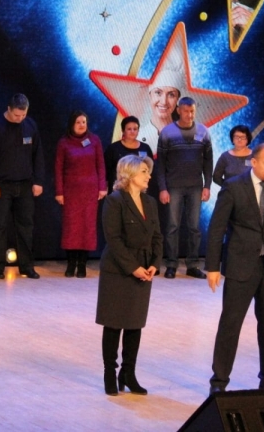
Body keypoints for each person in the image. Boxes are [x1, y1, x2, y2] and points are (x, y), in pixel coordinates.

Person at [206, 143, 264, 400]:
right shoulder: (234, 186)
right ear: (253, 162)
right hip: (240, 266)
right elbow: (217, 228)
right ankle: (219, 382)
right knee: (230, 323)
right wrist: (213, 266)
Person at [95, 155, 162, 396]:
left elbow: (157, 236)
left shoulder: (150, 202)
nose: (148, 176)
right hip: (118, 270)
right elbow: (113, 239)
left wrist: (154, 264)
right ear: (129, 174)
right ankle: (109, 374)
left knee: (135, 324)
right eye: (144, 171)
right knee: (114, 323)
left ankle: (128, 373)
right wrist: (133, 267)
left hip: (144, 268)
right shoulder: (114, 201)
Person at [0, 93, 45, 280]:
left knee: (26, 226)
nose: (20, 118)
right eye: (17, 115)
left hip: (25, 184)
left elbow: (38, 155)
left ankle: (27, 267)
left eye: (23, 115)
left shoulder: (30, 125)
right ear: (9, 109)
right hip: (1, 185)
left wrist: (38, 181)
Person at [157, 96, 213, 279]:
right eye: (186, 111)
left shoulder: (203, 132)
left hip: (196, 187)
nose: (189, 115)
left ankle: (192, 265)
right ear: (178, 110)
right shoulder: (167, 132)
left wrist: (207, 186)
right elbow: (160, 164)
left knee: (194, 227)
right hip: (173, 187)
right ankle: (171, 265)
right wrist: (163, 188)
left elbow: (208, 161)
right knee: (172, 227)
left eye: (192, 111)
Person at [55, 110, 107, 278]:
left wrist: (102, 187)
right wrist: (59, 192)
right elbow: (58, 169)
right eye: (78, 122)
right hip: (71, 192)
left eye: (84, 122)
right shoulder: (64, 142)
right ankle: (71, 264)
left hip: (90, 192)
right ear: (72, 124)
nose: (81, 125)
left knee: (87, 227)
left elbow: (100, 165)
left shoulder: (94, 140)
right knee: (71, 228)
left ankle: (82, 264)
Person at [104, 115, 153, 193]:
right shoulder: (113, 148)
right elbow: (106, 170)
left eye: (135, 129)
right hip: (118, 191)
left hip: (139, 191)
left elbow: (150, 170)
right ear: (123, 131)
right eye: (129, 129)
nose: (132, 131)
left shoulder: (145, 148)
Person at [140, 84, 180, 156]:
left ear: (177, 99)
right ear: (150, 96)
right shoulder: (137, 136)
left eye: (171, 95)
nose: (164, 102)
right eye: (158, 93)